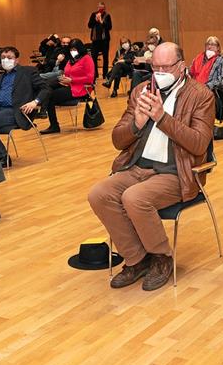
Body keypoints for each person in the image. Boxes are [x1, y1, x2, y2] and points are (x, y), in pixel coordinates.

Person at [87, 42, 214, 291]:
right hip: (136, 167)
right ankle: (137, 259)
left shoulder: (200, 95)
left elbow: (199, 144)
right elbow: (117, 140)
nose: (159, 72)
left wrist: (162, 119)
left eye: (166, 67)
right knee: (99, 194)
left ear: (181, 67)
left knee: (134, 198)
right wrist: (136, 124)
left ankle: (161, 258)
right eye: (155, 67)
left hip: (176, 173)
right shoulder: (141, 92)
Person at [0, 46, 50, 166]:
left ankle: (2, 157)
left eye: (9, 57)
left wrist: (35, 102)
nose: (6, 60)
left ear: (17, 60)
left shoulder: (28, 72)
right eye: (3, 57)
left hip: (17, 111)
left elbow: (45, 89)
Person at [40, 39, 95, 135]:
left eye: (74, 49)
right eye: (71, 49)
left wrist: (72, 80)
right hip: (68, 84)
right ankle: (44, 111)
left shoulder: (87, 59)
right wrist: (65, 78)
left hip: (80, 88)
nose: (72, 51)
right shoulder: (71, 60)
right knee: (47, 85)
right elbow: (67, 72)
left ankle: (50, 120)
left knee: (51, 95)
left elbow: (90, 79)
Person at [189, 36, 223, 120]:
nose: (209, 46)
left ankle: (199, 122)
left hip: (210, 89)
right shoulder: (198, 58)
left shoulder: (222, 60)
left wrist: (207, 86)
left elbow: (221, 79)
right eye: (208, 44)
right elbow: (190, 72)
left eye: (213, 44)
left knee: (195, 99)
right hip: (194, 87)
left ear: (218, 47)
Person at [88, 2, 113, 78]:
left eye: (102, 8)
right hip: (95, 40)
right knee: (94, 57)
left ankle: (105, 75)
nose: (101, 9)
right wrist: (96, 20)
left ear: (104, 8)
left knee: (105, 57)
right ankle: (95, 74)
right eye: (99, 7)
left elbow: (109, 27)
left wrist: (102, 21)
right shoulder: (93, 14)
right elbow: (89, 25)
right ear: (97, 7)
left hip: (104, 40)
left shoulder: (107, 16)